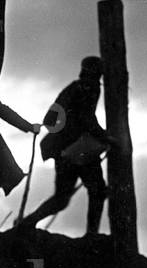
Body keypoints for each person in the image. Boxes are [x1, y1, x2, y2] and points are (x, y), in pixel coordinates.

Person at [16, 56, 112, 235]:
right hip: (76, 149)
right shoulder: (87, 88)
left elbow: (53, 118)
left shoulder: (74, 88)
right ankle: (91, 235)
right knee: (96, 191)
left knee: (63, 198)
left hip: (67, 150)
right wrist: (105, 137)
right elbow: (86, 118)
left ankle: (26, 223)